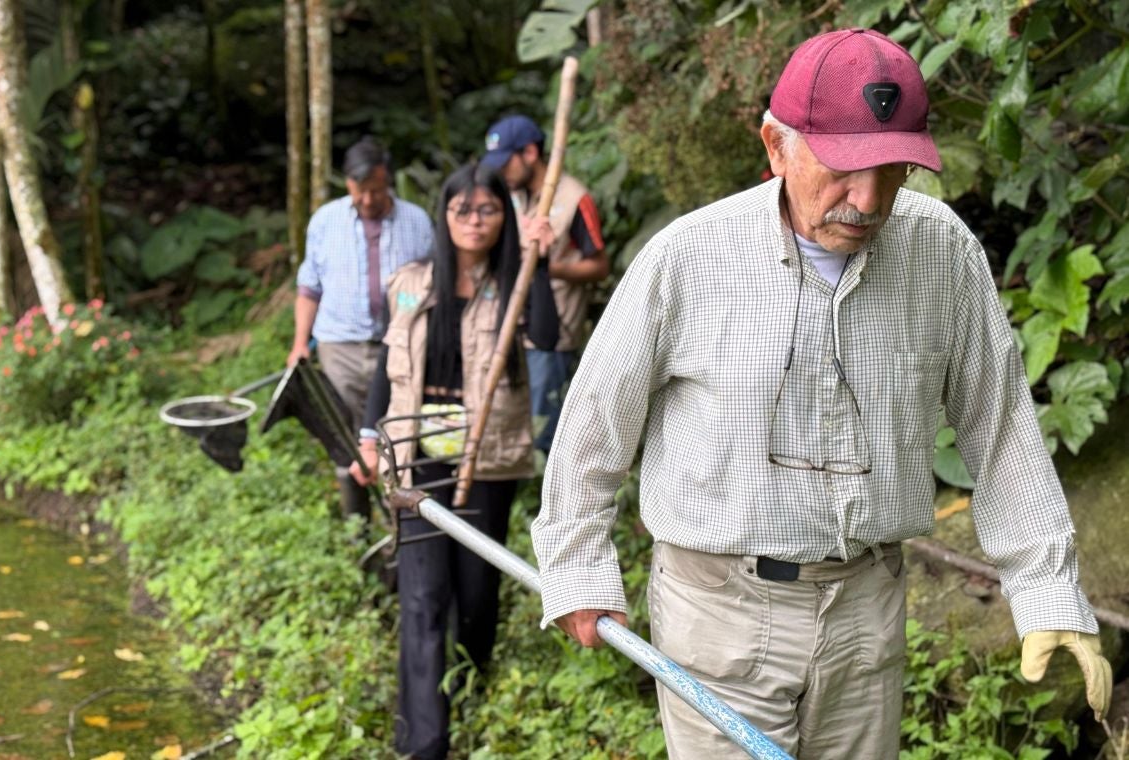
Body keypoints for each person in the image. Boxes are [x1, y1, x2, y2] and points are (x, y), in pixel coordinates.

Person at [530, 28, 1111, 759]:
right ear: (776, 146)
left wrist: (1047, 590)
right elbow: (594, 422)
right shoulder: (689, 257)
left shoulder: (942, 252)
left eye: (892, 169)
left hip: (867, 612)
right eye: (842, 168)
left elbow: (1000, 428)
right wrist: (578, 567)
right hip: (718, 611)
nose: (867, 200)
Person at [351, 163, 558, 760]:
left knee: (475, 591)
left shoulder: (514, 283)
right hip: (416, 456)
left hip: (484, 456)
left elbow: (547, 337)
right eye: (462, 210)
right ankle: (425, 742)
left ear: (504, 218)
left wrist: (540, 264)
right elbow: (385, 366)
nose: (474, 222)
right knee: (422, 595)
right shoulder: (412, 282)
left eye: (487, 210)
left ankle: (470, 688)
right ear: (444, 216)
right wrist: (369, 437)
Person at [291, 136, 433, 519]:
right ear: (348, 183)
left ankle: (396, 519)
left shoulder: (417, 221)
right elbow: (309, 288)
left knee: (394, 430)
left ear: (389, 181)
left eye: (376, 190)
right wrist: (300, 342)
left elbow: (430, 285)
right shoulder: (325, 221)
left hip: (398, 345)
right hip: (340, 345)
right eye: (360, 190)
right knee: (347, 436)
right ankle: (358, 524)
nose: (368, 199)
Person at [480, 114, 608, 453]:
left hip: (555, 331)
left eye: (506, 162)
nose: (501, 172)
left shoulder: (574, 197)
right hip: (508, 323)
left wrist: (545, 268)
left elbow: (599, 266)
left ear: (530, 153)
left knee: (543, 427)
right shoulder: (510, 195)